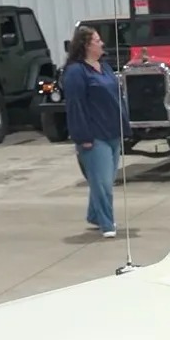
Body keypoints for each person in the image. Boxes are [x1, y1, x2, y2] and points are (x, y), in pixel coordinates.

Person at [60, 24, 122, 238]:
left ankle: (95, 215)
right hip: (94, 135)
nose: (102, 43)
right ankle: (107, 223)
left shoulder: (104, 67)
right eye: (97, 41)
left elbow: (115, 97)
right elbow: (75, 106)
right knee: (102, 183)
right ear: (86, 45)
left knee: (104, 180)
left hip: (112, 131)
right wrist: (82, 136)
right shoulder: (76, 72)